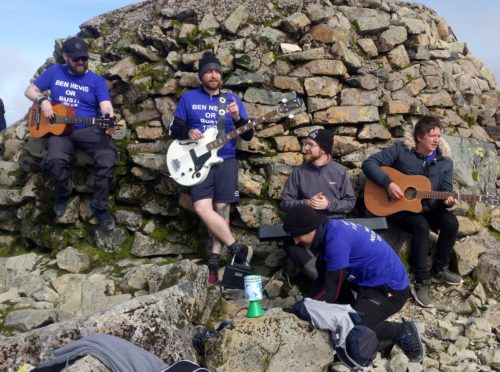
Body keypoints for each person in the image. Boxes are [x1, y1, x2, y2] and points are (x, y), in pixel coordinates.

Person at [283, 204, 425, 363]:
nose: (295, 241)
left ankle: (402, 330)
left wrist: (305, 309)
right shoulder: (326, 232)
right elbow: (322, 281)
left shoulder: (336, 241)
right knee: (334, 318)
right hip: (364, 282)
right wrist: (305, 304)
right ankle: (363, 318)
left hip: (391, 290)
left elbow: (331, 291)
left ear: (310, 228)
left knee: (352, 328)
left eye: (297, 235)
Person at [169, 51, 254, 285]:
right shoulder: (189, 98)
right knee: (202, 207)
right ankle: (236, 248)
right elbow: (172, 129)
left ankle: (214, 260)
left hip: (225, 159)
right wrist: (187, 131)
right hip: (198, 161)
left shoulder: (231, 99)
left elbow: (248, 135)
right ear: (201, 76)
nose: (213, 75)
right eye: (208, 71)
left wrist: (238, 118)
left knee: (222, 208)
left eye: (216, 70)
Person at [361, 115, 462, 308]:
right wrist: (388, 183)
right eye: (432, 135)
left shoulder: (445, 162)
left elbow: (446, 190)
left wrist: (449, 201)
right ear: (418, 137)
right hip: (399, 207)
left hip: (429, 207)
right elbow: (369, 164)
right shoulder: (401, 150)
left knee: (451, 222)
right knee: (420, 226)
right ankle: (421, 281)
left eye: (439, 135)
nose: (436, 140)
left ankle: (439, 270)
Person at [24, 37, 116, 231]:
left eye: (84, 58)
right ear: (65, 56)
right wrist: (43, 101)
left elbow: (106, 106)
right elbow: (30, 90)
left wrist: (109, 119)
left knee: (107, 158)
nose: (81, 62)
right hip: (60, 131)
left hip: (88, 129)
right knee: (55, 161)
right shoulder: (55, 72)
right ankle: (64, 193)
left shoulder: (97, 81)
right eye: (76, 59)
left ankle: (99, 205)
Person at [280, 128, 356, 281]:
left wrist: (328, 205)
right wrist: (307, 203)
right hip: (307, 230)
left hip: (333, 228)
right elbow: (285, 203)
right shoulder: (298, 173)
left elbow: (349, 202)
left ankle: (338, 284)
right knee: (292, 245)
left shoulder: (340, 171)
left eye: (311, 144)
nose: (305, 148)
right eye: (306, 144)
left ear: (323, 149)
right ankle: (321, 281)